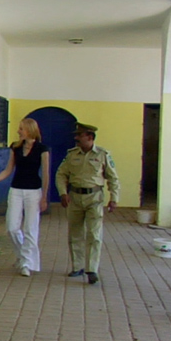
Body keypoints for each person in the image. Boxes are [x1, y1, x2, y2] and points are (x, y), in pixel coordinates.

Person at [0, 118, 50, 277]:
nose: (18, 131)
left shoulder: (42, 149)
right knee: (11, 227)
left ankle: (26, 263)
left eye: (21, 129)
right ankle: (22, 256)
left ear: (30, 130)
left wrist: (44, 197)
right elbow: (8, 170)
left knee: (30, 228)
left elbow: (45, 174)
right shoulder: (15, 147)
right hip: (16, 190)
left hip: (34, 192)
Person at [55, 122, 120, 285]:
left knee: (94, 234)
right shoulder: (71, 154)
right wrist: (63, 193)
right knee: (75, 233)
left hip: (94, 198)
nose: (76, 138)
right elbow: (61, 174)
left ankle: (92, 269)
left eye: (80, 135)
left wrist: (114, 198)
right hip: (75, 197)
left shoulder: (103, 154)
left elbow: (112, 177)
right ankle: (77, 266)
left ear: (90, 137)